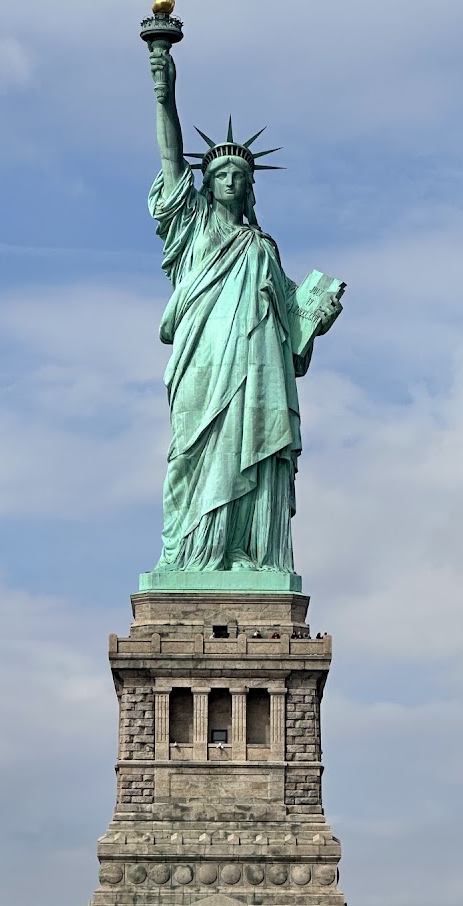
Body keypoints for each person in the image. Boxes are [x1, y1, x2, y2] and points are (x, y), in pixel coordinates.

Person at [147, 46, 342, 574]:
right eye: (220, 173)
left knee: (248, 444)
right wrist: (165, 91)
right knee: (195, 450)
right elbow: (171, 159)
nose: (231, 180)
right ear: (207, 183)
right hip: (205, 357)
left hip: (258, 367)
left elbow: (291, 331)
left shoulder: (263, 248)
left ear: (250, 187)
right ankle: (193, 553)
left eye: (239, 174)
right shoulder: (191, 228)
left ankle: (245, 550)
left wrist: (317, 319)